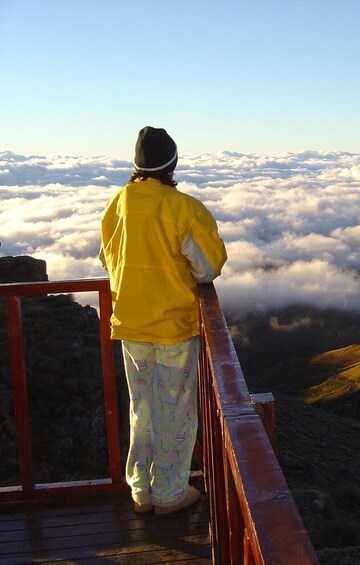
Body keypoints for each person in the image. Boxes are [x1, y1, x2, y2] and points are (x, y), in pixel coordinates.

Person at [99, 126, 227, 515]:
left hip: (131, 323)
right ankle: (169, 493)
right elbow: (207, 269)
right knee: (175, 408)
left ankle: (140, 490)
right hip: (172, 327)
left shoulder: (118, 203)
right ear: (172, 165)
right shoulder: (184, 208)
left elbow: (108, 259)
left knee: (142, 407)